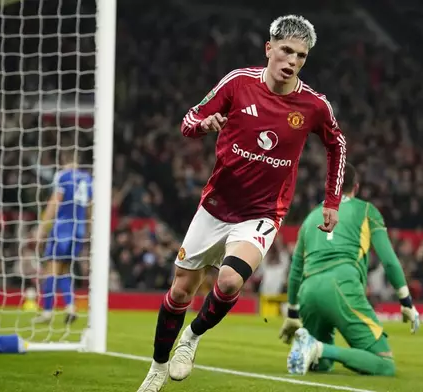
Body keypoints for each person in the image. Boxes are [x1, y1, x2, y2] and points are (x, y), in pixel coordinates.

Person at [138, 14, 347, 392]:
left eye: (301, 56)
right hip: (215, 206)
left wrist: (332, 199)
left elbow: (337, 145)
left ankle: (192, 337)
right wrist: (202, 126)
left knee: (231, 280)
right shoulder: (237, 83)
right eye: (286, 51)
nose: (292, 61)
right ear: (269, 49)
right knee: (181, 291)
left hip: (262, 213)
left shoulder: (314, 106)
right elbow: (188, 120)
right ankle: (157, 367)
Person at [279, 163, 419, 376]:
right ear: (356, 187)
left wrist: (292, 313)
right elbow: (389, 261)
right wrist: (406, 301)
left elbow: (295, 270)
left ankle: (312, 348)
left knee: (323, 365)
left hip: (308, 291)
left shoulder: (310, 218)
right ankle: (316, 347)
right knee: (384, 364)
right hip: (341, 285)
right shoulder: (366, 211)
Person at [33, 150, 92, 325]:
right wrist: (88, 229)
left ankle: (47, 312)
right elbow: (89, 206)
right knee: (64, 270)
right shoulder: (87, 179)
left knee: (51, 269)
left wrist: (42, 228)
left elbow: (54, 202)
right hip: (78, 230)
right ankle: (70, 308)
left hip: (62, 229)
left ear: (62, 159)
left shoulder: (62, 176)